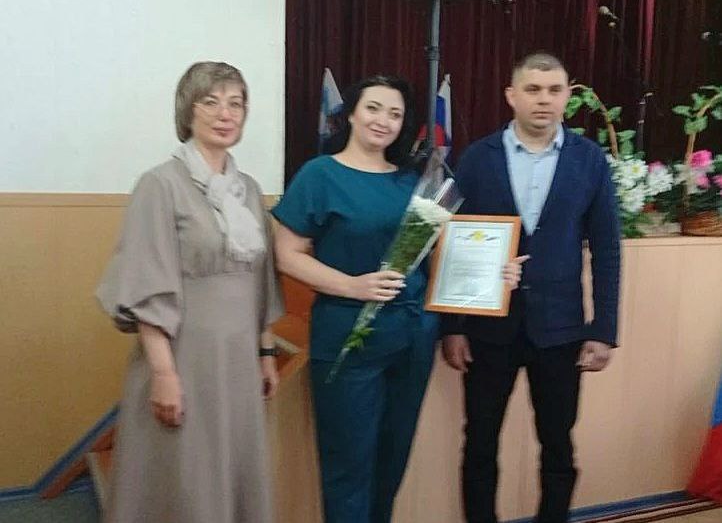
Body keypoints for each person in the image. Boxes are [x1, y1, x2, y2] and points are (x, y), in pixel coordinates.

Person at [273, 74, 525, 523]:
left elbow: (444, 258)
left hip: (412, 338)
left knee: (392, 462)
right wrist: (351, 285)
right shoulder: (320, 174)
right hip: (348, 337)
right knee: (349, 468)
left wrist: (496, 272)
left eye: (395, 113)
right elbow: (286, 255)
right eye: (373, 108)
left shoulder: (415, 181)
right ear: (351, 113)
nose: (383, 120)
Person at [96, 61, 283, 523]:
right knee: (185, 474)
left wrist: (265, 354)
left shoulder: (248, 190)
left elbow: (261, 282)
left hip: (238, 362)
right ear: (188, 110)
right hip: (184, 357)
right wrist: (164, 373)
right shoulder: (160, 184)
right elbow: (146, 285)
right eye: (211, 101)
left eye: (236, 103)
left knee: (233, 470)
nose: (225, 113)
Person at [441, 52, 621, 523]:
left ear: (567, 97)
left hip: (561, 331)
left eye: (554, 90)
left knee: (558, 445)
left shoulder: (589, 159)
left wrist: (603, 329)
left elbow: (607, 249)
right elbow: (454, 244)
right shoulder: (477, 158)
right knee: (479, 444)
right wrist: (452, 326)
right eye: (533, 90)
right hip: (487, 329)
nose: (544, 100)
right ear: (511, 95)